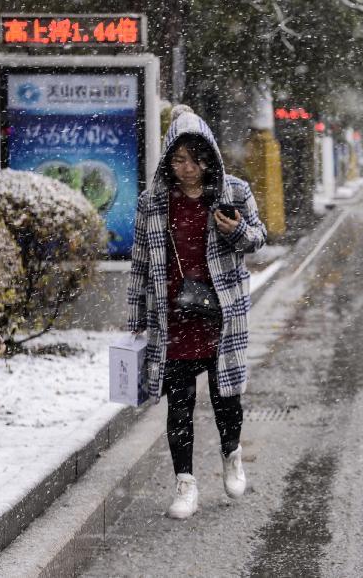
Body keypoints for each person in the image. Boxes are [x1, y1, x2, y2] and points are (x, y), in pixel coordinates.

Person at [127, 105, 267, 519]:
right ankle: (185, 484)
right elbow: (139, 261)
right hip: (173, 317)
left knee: (227, 398)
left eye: (194, 159)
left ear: (209, 159)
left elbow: (259, 238)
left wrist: (237, 231)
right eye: (178, 159)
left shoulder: (234, 193)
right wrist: (135, 319)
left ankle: (231, 455)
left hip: (220, 315)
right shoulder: (153, 202)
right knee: (180, 404)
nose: (186, 168)